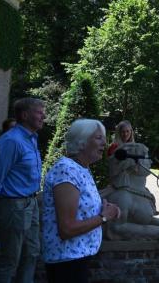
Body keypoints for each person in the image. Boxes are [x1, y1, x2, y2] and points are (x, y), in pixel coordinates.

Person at [42, 119, 120, 283]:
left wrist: (103, 208)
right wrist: (104, 217)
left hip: (78, 258)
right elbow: (67, 228)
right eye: (98, 138)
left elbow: (81, 209)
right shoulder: (66, 170)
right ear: (81, 142)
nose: (104, 143)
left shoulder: (81, 168)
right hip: (66, 262)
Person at [0, 98, 45, 282]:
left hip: (30, 203)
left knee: (32, 253)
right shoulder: (11, 141)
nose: (44, 116)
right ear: (25, 115)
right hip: (13, 205)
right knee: (9, 259)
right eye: (39, 112)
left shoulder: (31, 138)